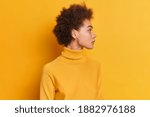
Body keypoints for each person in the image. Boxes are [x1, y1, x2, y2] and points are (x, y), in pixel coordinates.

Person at [40, 3, 103, 100]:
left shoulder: (96, 67)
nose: (94, 35)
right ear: (74, 33)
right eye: (89, 30)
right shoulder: (50, 70)